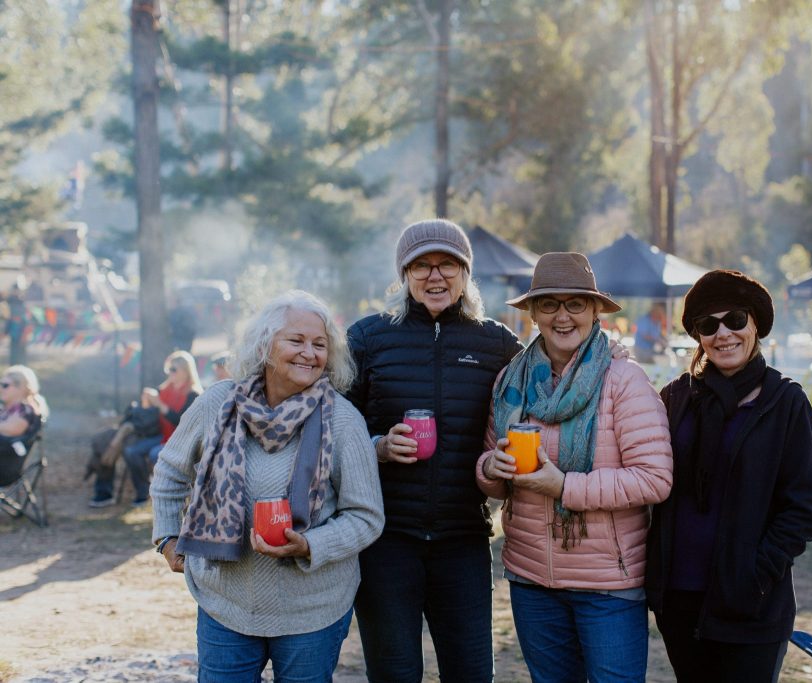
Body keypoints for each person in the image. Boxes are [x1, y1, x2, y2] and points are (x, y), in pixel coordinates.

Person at [150, 289, 384, 681]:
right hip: (225, 602)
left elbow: (366, 516)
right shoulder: (218, 402)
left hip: (313, 610)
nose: (309, 353)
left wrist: (311, 544)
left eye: (320, 344)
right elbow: (170, 473)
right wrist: (167, 538)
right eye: (296, 340)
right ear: (265, 345)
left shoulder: (343, 421)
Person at [477, 252, 673, 682]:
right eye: (549, 304)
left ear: (595, 311)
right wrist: (492, 466)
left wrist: (564, 486)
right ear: (532, 313)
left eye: (575, 304)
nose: (562, 316)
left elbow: (655, 478)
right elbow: (493, 475)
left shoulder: (624, 381)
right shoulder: (512, 381)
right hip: (532, 580)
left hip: (607, 585)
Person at [346, 219, 524, 682]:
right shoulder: (368, 338)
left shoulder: (497, 343)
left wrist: (608, 352)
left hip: (463, 539)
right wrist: (378, 446)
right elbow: (334, 427)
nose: (435, 275)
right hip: (386, 541)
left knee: (469, 673)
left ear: (466, 273)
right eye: (421, 265)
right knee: (394, 672)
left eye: (448, 263)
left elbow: (550, 382)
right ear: (404, 275)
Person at [645, 269, 812, 682]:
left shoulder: (786, 403)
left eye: (735, 320)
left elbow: (802, 510)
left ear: (755, 324)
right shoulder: (675, 398)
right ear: (698, 336)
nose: (723, 333)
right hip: (680, 599)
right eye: (709, 325)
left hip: (751, 604)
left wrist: (754, 576)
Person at [89, 351, 204, 508]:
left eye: (174, 369)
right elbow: (147, 417)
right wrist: (146, 402)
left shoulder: (193, 394)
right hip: (158, 434)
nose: (170, 373)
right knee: (130, 451)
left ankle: (168, 495)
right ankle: (143, 491)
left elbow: (181, 421)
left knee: (154, 454)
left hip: (179, 439)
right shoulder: (164, 389)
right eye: (168, 369)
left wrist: (159, 404)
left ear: (186, 370)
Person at [0, 365, 48, 437]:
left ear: (21, 387)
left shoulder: (25, 410)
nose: (0, 389)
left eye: (5, 385)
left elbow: (13, 429)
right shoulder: (5, 409)